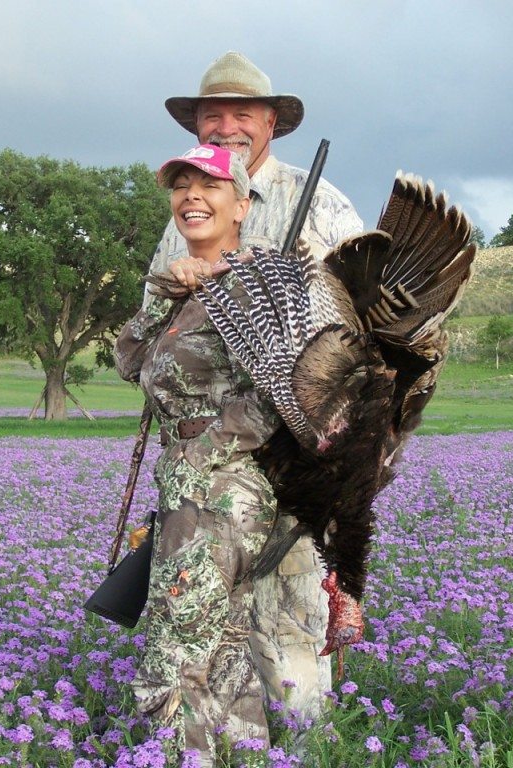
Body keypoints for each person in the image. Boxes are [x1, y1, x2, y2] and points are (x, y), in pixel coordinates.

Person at [147, 50, 364, 727]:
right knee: (213, 616)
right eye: (213, 115)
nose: (227, 126)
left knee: (294, 613)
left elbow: (357, 333)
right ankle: (232, 739)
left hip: (294, 449)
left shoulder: (320, 202)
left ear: (272, 122)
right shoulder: (188, 201)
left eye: (244, 114)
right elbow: (158, 314)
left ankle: (306, 743)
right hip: (204, 468)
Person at [115, 144, 284, 764]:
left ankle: (175, 757)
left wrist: (204, 452)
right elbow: (128, 361)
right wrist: (165, 290)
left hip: (222, 485)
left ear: (241, 204)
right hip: (189, 482)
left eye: (209, 186)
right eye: (181, 186)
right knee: (219, 645)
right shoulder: (184, 281)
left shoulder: (262, 283)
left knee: (178, 642)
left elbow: (285, 392)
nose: (191, 196)